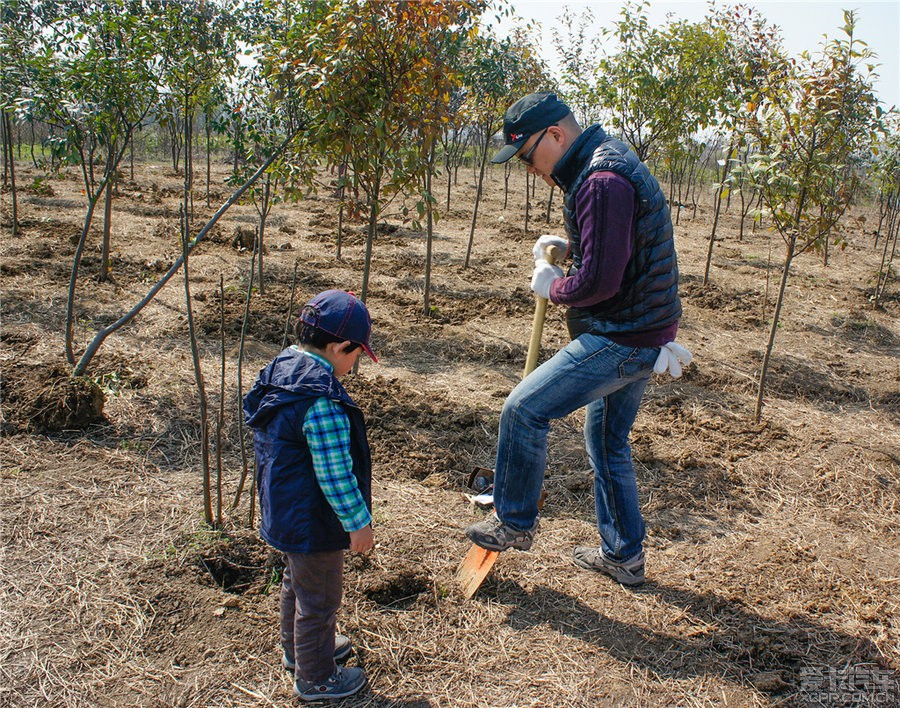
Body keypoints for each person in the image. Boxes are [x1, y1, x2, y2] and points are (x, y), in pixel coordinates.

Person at [465, 92, 690, 587]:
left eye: (528, 156)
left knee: (524, 409)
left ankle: (513, 521)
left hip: (623, 335)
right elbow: (621, 248)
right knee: (608, 444)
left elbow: (600, 283)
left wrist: (555, 285)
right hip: (642, 326)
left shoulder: (601, 180)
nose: (528, 169)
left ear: (556, 136)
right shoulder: (604, 161)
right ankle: (624, 555)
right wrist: (576, 247)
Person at [243, 289, 377, 701]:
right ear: (339, 347)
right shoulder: (322, 401)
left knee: (297, 584)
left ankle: (296, 652)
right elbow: (335, 475)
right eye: (356, 355)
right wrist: (359, 524)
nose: (355, 365)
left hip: (283, 509)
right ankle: (317, 677)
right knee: (319, 599)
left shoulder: (283, 368)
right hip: (313, 519)